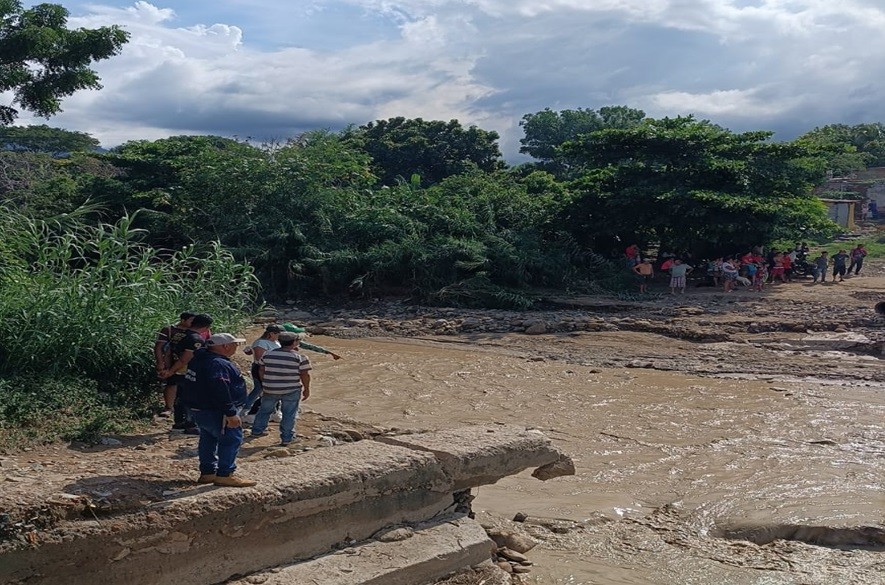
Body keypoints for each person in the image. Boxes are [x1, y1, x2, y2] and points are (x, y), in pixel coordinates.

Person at [179, 333, 256, 488]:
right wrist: (231, 413)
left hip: (200, 409)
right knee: (231, 438)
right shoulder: (217, 364)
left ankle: (208, 472)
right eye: (235, 344)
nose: (236, 347)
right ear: (225, 346)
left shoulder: (198, 359)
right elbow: (220, 388)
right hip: (216, 410)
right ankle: (225, 474)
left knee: (208, 438)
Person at [250, 332, 311, 446]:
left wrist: (265, 382)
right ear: (294, 343)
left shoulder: (267, 354)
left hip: (270, 388)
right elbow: (305, 375)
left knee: (264, 410)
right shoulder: (300, 357)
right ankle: (287, 438)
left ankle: (257, 431)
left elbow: (261, 369)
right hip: (291, 389)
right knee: (289, 414)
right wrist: (306, 389)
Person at [160, 313, 213, 433]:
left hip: (177, 370)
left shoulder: (178, 335)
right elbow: (185, 358)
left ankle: (179, 423)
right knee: (191, 398)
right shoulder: (196, 339)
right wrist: (171, 371)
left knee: (180, 398)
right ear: (206, 327)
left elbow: (167, 352)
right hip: (187, 372)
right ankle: (190, 425)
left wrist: (169, 369)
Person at [153, 311, 195, 417]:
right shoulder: (169, 330)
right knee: (172, 383)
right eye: (191, 320)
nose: (193, 322)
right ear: (183, 320)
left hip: (188, 362)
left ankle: (185, 410)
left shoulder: (194, 331)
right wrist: (160, 362)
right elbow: (159, 347)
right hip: (171, 361)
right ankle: (169, 407)